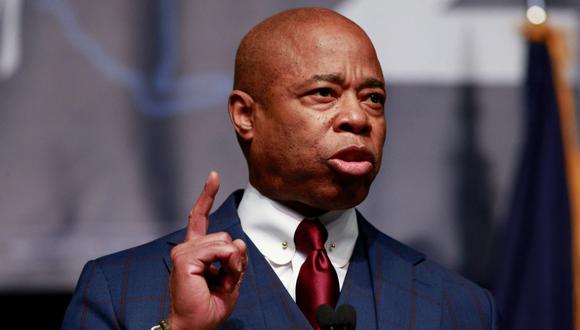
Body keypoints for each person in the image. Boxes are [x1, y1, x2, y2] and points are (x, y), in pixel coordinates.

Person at [62, 7, 499, 330]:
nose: (359, 118)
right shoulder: (119, 290)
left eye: (373, 98)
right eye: (325, 93)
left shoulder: (460, 307)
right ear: (245, 115)